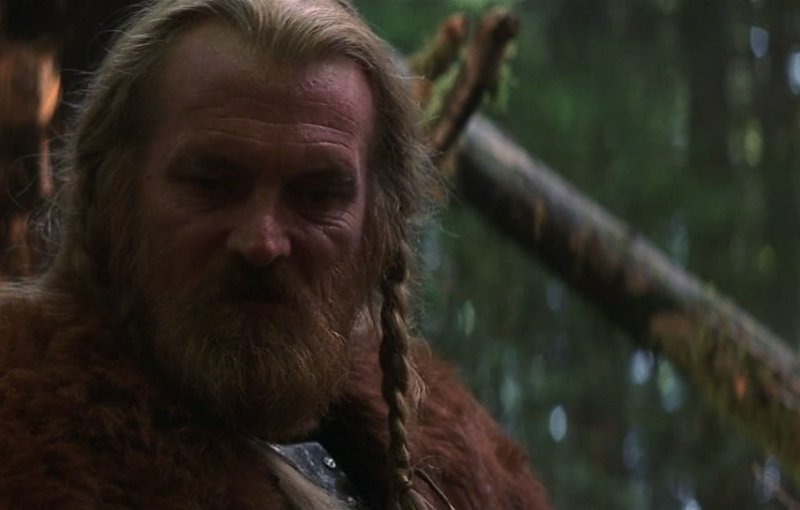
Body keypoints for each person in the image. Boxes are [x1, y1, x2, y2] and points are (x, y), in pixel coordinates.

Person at [0, 0, 550, 508]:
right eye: (212, 184)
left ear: (379, 230)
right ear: (112, 200)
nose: (263, 243)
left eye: (317, 196)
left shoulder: (457, 464)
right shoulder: (26, 450)